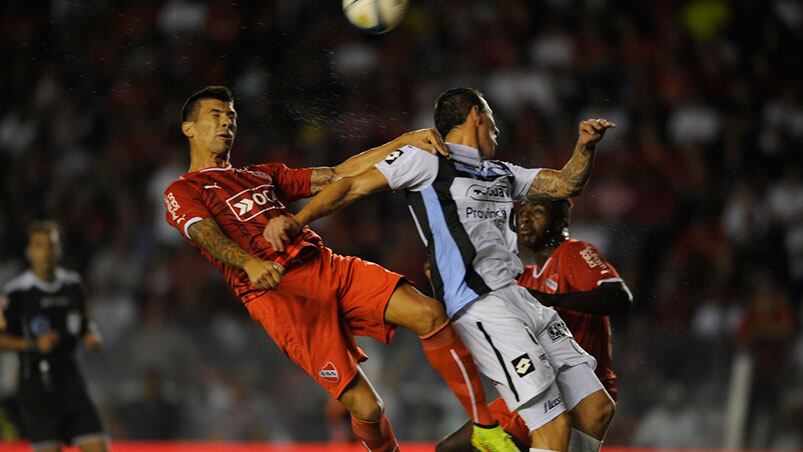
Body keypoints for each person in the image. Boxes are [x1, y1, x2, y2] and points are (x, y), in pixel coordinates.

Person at [163, 86, 518, 452]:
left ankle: (485, 427)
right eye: (215, 116)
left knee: (429, 313)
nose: (226, 123)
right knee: (368, 408)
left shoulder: (259, 175)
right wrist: (249, 262)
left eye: (231, 117)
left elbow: (338, 174)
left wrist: (406, 141)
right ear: (189, 128)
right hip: (282, 298)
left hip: (326, 265)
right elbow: (202, 233)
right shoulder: (183, 190)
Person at [264, 87, 616, 452]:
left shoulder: (502, 172)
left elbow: (565, 183)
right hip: (482, 306)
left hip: (520, 298)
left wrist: (585, 147)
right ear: (477, 114)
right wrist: (298, 219)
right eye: (492, 117)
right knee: (551, 425)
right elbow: (351, 185)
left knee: (596, 407)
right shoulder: (426, 160)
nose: (498, 128)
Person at [436, 199, 633, 451]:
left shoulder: (573, 253)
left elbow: (618, 296)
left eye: (537, 213)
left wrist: (552, 300)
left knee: (458, 448)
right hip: (540, 383)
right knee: (451, 447)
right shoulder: (524, 276)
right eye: (522, 213)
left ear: (561, 221)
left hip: (580, 388)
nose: (526, 220)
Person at [0, 221, 107, 452]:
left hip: (71, 382)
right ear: (29, 252)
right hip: (37, 387)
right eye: (39, 246)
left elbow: (86, 323)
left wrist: (91, 336)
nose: (46, 252)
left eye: (51, 245)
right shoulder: (17, 292)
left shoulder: (73, 285)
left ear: (59, 250)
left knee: (97, 446)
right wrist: (33, 344)